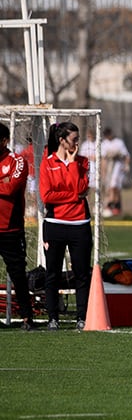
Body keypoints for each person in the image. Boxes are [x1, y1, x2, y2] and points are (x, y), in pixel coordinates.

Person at [40, 121, 92, 330]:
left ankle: (82, 317)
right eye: (74, 139)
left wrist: (71, 165)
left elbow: (82, 187)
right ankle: (53, 317)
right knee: (52, 273)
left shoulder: (83, 162)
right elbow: (47, 196)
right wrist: (74, 196)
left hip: (80, 224)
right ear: (62, 140)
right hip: (54, 225)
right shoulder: (47, 163)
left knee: (81, 274)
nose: (77, 143)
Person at [0, 123, 35, 330]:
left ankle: (27, 318)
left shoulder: (17, 160)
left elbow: (12, 187)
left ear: (4, 141)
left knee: (18, 275)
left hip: (10, 230)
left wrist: (6, 181)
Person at [99, 127, 130, 216]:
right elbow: (103, 158)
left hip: (118, 166)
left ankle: (115, 206)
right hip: (109, 167)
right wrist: (103, 171)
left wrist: (126, 165)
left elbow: (126, 155)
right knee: (109, 187)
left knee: (115, 187)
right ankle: (110, 206)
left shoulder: (118, 142)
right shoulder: (104, 144)